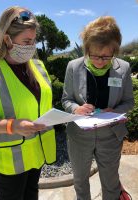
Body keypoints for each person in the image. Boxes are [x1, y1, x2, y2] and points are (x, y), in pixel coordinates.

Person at [62, 16, 134, 200]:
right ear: (86, 49)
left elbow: (129, 102)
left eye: (106, 56)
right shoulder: (73, 66)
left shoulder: (124, 68)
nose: (100, 61)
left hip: (110, 135)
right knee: (80, 180)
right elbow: (66, 99)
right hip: (79, 135)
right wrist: (76, 109)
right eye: (94, 55)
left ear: (115, 50)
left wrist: (116, 111)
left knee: (110, 182)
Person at [0, 6, 56, 200]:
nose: (31, 46)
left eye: (34, 40)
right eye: (26, 41)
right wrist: (12, 125)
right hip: (9, 161)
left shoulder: (38, 67)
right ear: (7, 38)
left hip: (36, 154)